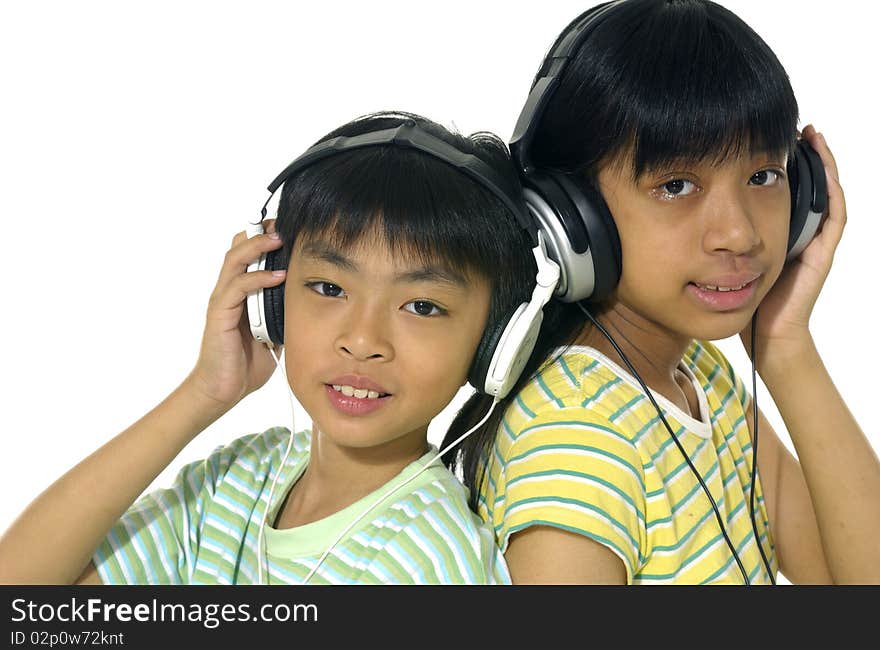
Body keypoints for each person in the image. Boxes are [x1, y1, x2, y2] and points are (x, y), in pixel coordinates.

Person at [0, 111, 545, 585]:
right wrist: (204, 393)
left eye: (422, 306)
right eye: (329, 288)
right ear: (272, 299)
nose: (362, 341)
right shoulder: (237, 482)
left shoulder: (431, 561)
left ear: (496, 341)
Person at [442, 0, 880, 584]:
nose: (741, 233)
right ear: (574, 219)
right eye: (677, 185)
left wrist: (784, 343)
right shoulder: (577, 443)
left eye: (763, 177)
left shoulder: (701, 375)